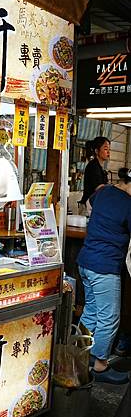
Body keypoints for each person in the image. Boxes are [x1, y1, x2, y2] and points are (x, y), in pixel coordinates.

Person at [77, 167, 131, 384]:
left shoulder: (103, 192)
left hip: (85, 262)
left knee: (91, 311)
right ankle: (99, 366)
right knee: (109, 316)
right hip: (104, 267)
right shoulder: (128, 205)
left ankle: (81, 356)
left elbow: (90, 205)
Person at [79, 136, 110, 206]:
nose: (108, 152)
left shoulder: (99, 167)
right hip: (89, 206)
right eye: (105, 149)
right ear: (96, 151)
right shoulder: (93, 166)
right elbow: (100, 188)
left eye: (109, 149)